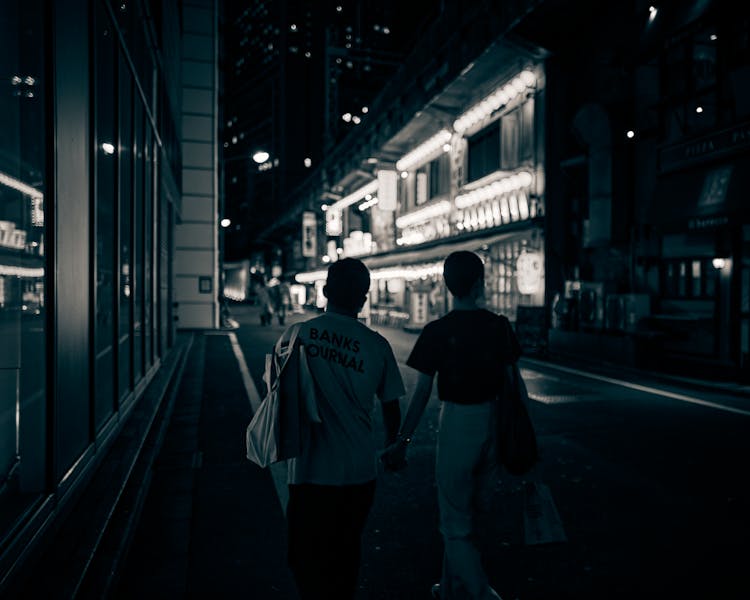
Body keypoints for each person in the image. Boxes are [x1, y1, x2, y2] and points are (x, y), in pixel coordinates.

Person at [383, 250, 521, 600]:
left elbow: (421, 393)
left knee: (454, 519)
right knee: (474, 512)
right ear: (479, 283)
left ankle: (479, 594)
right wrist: (524, 437)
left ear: (446, 285)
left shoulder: (437, 331)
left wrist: (403, 439)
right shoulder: (499, 326)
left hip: (458, 422)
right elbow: (515, 385)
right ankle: (449, 588)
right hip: (494, 421)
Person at [281, 257, 406, 600]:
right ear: (364, 298)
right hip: (358, 471)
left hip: (308, 469)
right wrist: (395, 445)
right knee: (346, 553)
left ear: (324, 292)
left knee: (305, 555)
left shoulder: (297, 335)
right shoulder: (377, 345)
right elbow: (391, 404)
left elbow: (277, 396)